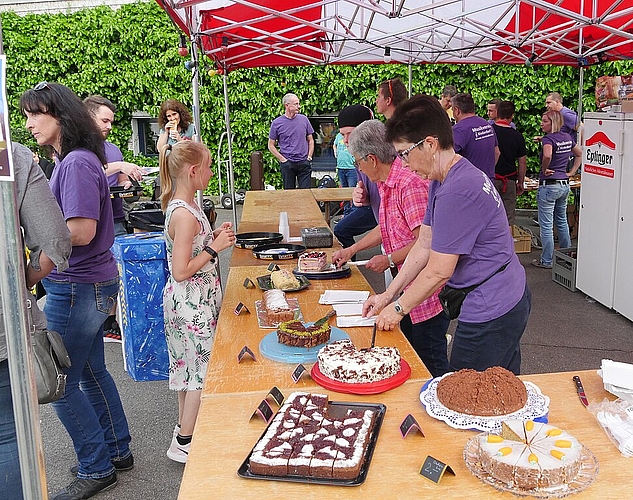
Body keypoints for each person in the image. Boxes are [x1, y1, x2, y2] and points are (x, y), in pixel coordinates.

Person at [363, 94, 531, 375]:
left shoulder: (456, 189)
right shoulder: (442, 178)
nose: (403, 164)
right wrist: (388, 295)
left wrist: (398, 309)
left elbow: (439, 271)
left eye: (404, 153)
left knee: (467, 394)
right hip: (503, 295)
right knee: (497, 386)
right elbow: (423, 244)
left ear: (429, 144)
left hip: (493, 306)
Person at [21, 82, 133, 500]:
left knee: (60, 383)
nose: (29, 123)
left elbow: (79, 231)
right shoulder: (78, 161)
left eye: (36, 114)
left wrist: (31, 274)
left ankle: (96, 465)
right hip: (87, 283)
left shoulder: (76, 164)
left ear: (61, 116)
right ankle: (116, 451)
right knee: (89, 373)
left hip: (78, 286)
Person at [332, 121, 450, 377]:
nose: (357, 168)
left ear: (372, 159)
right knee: (409, 353)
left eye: (357, 161)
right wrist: (352, 249)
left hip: (425, 294)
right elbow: (388, 227)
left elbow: (425, 243)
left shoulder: (408, 184)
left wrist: (389, 259)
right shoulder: (388, 182)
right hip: (408, 287)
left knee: (431, 362)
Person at [0, 142, 71, 500]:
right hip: (5, 327)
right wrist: (22, 280)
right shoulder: (12, 156)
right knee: (10, 435)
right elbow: (56, 238)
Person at [159, 141, 235, 463]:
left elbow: (188, 250)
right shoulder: (186, 214)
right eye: (207, 168)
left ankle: (184, 430)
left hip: (185, 304)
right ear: (193, 172)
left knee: (186, 371)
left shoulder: (185, 207)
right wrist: (214, 248)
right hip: (192, 305)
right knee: (201, 374)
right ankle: (185, 441)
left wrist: (211, 235)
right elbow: (180, 270)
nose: (210, 173)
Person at [84, 95, 144, 343]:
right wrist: (120, 165)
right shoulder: (79, 148)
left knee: (114, 272)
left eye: (111, 121)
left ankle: (111, 321)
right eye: (104, 120)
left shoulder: (113, 149)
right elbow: (88, 170)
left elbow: (123, 186)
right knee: (91, 274)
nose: (109, 126)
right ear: (88, 117)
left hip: (116, 217)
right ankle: (94, 323)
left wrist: (131, 183)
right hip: (91, 220)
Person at [334, 78, 407, 253]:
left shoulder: (402, 173)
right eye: (342, 135)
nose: (345, 141)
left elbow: (422, 240)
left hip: (399, 242)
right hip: (388, 235)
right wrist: (364, 197)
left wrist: (389, 260)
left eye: (349, 134)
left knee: (341, 230)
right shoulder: (367, 161)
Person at [532, 110, 582, 269]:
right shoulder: (567, 137)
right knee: (561, 221)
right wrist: (572, 172)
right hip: (564, 184)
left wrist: (545, 168)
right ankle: (566, 256)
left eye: (545, 121)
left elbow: (547, 155)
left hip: (549, 185)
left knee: (546, 225)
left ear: (552, 122)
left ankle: (546, 260)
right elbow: (579, 154)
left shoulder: (548, 140)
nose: (541, 123)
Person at [267, 93, 315, 189]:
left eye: (298, 104)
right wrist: (283, 160)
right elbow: (271, 145)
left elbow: (311, 140)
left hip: (304, 162)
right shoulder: (277, 123)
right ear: (287, 105)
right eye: (296, 104)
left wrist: (309, 156)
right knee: (289, 194)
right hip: (288, 163)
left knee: (306, 194)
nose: (299, 106)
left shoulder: (304, 119)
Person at [492, 100, 527, 227]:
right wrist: (521, 182)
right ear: (512, 116)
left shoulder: (489, 132)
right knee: (508, 218)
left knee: (489, 215)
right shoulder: (517, 136)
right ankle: (506, 244)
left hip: (491, 180)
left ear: (497, 113)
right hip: (510, 180)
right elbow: (522, 162)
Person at [452, 92, 500, 179]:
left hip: (468, 183)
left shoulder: (458, 130)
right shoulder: (487, 125)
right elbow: (497, 152)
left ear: (457, 110)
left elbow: (448, 158)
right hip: (488, 181)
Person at [332, 130, 356, 215]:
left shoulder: (353, 135)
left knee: (352, 191)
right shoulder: (338, 135)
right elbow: (334, 144)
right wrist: (335, 151)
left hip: (351, 168)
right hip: (340, 167)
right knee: (344, 192)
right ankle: (346, 213)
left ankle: (353, 213)